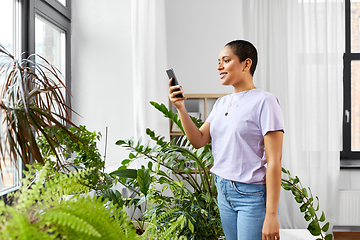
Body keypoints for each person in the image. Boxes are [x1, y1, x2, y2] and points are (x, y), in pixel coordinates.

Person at [168, 40, 284, 240]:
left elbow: (274, 161)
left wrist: (272, 215)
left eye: (226, 60)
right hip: (223, 191)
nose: (219, 67)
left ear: (246, 64)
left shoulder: (265, 101)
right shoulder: (222, 103)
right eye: (218, 62)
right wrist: (180, 107)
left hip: (252, 196)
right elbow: (199, 140)